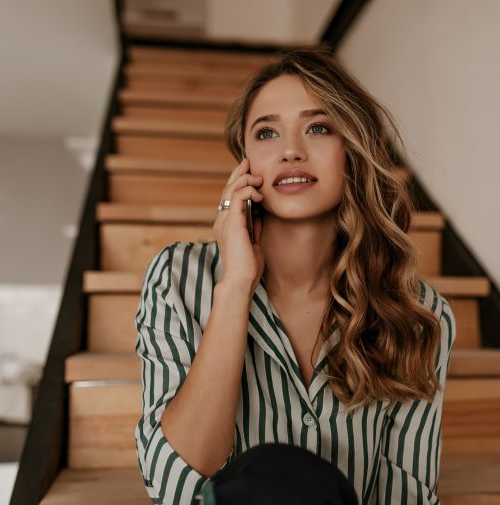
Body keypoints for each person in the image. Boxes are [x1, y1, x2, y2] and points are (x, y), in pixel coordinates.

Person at [134, 47, 456, 505]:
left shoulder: (418, 313)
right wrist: (236, 286)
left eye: (319, 127)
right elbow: (174, 481)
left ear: (354, 153)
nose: (290, 151)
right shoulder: (179, 279)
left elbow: (406, 497)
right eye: (266, 132)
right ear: (244, 163)